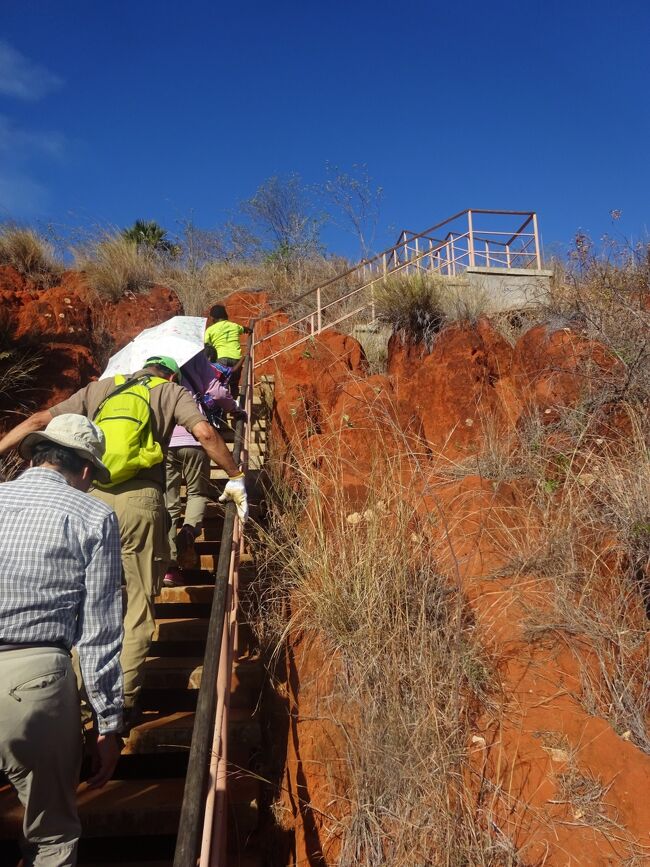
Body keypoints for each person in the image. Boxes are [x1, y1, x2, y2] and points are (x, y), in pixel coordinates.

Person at [0, 355, 248, 725]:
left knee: (86, 607)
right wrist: (235, 474)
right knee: (136, 609)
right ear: (169, 372)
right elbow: (206, 434)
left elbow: (39, 421)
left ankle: (76, 703)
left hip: (89, 498)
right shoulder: (171, 391)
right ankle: (122, 705)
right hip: (141, 503)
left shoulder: (102, 388)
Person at [0, 414, 123, 867]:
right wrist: (108, 724)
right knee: (50, 837)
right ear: (86, 470)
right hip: (34, 680)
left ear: (35, 454)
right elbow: (99, 630)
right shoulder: (94, 515)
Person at [164, 351, 246, 587]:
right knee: (197, 493)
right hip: (194, 435)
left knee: (169, 501)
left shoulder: (154, 364)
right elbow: (217, 391)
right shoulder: (194, 356)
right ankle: (189, 532)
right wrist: (234, 408)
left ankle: (169, 567)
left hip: (165, 441)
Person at [204, 304, 253, 397]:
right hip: (236, 359)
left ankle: (224, 407)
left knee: (222, 385)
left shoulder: (210, 330)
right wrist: (248, 330)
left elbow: (206, 346)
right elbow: (245, 329)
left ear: (213, 318)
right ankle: (235, 406)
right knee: (234, 384)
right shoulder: (234, 326)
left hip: (221, 359)